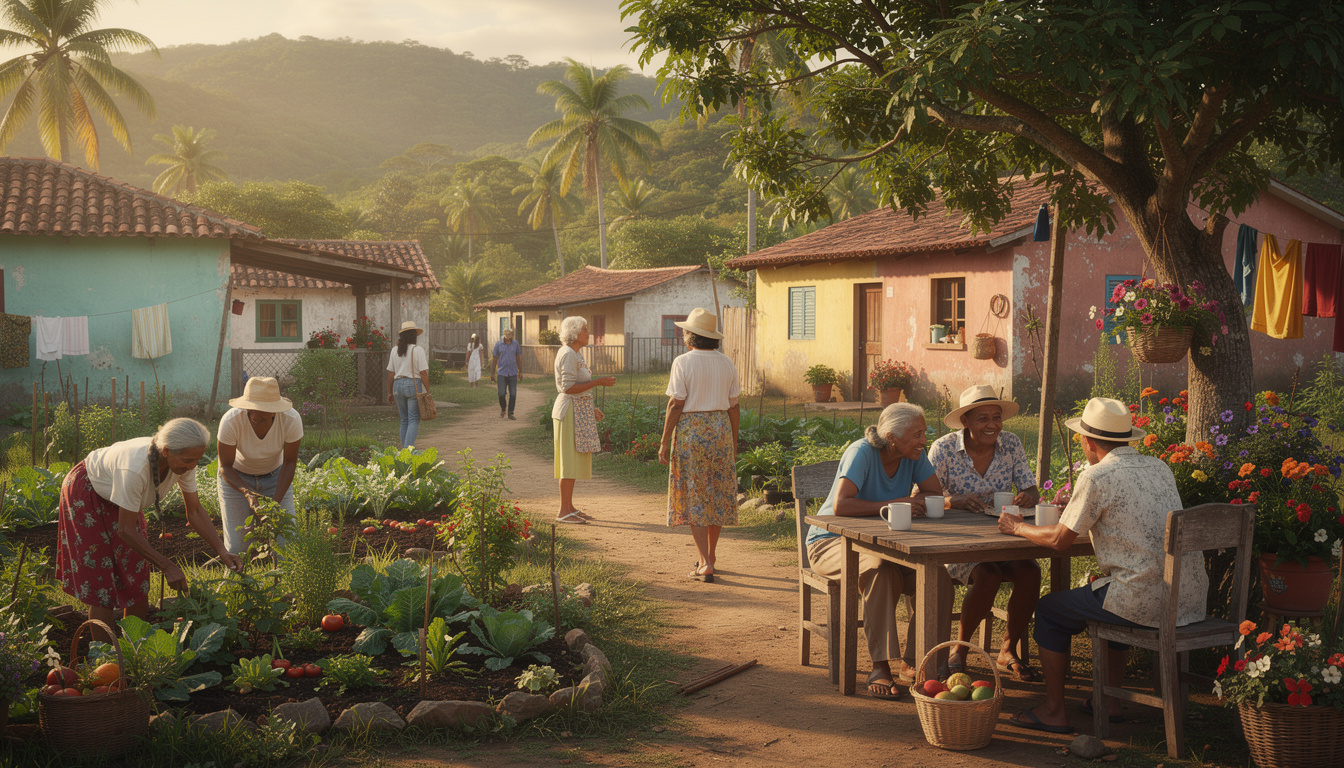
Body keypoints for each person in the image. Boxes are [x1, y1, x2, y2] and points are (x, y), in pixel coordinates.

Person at [997, 397, 1207, 734]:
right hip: (1187, 595)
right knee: (1114, 597)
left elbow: (1059, 541)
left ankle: (1053, 710)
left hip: (1143, 599)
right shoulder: (1160, 467)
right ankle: (1107, 701)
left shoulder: (1097, 475)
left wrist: (1016, 527)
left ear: (1089, 441)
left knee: (1051, 611)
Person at [805, 402, 944, 700]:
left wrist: (916, 502)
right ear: (891, 436)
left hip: (885, 545)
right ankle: (879, 666)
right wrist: (897, 504)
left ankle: (916, 660)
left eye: (924, 432)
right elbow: (842, 505)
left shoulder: (913, 455)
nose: (923, 440)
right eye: (916, 433)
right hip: (830, 542)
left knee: (938, 576)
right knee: (881, 570)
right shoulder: (862, 452)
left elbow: (935, 493)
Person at [55, 418, 243, 636]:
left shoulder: (184, 463)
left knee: (136, 572)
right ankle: (105, 658)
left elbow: (195, 512)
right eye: (188, 460)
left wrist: (222, 550)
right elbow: (125, 529)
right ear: (166, 451)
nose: (192, 466)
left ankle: (135, 644)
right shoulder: (135, 468)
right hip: (88, 491)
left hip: (120, 495)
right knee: (101, 580)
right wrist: (166, 565)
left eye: (197, 460)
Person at [927, 384, 1041, 681]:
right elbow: (922, 497)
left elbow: (1030, 486)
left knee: (1030, 572)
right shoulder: (944, 448)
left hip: (1002, 534)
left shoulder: (1011, 444)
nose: (992, 425)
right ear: (965, 421)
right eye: (983, 419)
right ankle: (959, 651)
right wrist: (955, 501)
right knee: (988, 574)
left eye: (996, 417)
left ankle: (1007, 649)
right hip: (958, 541)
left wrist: (1029, 496)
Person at [657, 308, 740, 583]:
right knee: (716, 493)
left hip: (692, 432)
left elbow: (676, 403)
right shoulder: (727, 363)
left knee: (695, 494)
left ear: (691, 336)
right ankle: (711, 557)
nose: (682, 334)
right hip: (720, 431)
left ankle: (704, 561)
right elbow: (734, 407)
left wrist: (664, 440)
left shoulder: (683, 362)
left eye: (685, 331)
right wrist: (733, 441)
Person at [216, 376, 304, 556]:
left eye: (261, 414)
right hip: (236, 479)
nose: (254, 416)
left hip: (276, 477)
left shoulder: (290, 419)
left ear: (274, 412)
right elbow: (225, 466)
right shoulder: (231, 421)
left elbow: (289, 462)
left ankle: (283, 583)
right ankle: (240, 584)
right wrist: (248, 493)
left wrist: (275, 504)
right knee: (238, 548)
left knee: (286, 545)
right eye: (250, 411)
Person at [552, 315, 615, 523]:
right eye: (585, 330)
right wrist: (598, 382)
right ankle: (563, 511)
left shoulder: (576, 354)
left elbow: (578, 387)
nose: (589, 333)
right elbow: (568, 387)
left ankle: (569, 506)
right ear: (574, 333)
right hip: (568, 410)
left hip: (577, 409)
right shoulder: (568, 354)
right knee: (569, 461)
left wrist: (591, 409)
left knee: (575, 459)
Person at [385, 320, 430, 449]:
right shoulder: (417, 350)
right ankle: (407, 450)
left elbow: (390, 373)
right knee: (414, 419)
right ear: (414, 336)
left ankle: (403, 449)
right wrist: (428, 391)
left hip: (397, 386)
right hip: (413, 385)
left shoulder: (395, 350)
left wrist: (389, 392)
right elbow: (423, 373)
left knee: (404, 419)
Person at [492, 327, 521, 420]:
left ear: (512, 335)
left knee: (513, 394)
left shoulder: (515, 344)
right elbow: (494, 359)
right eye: (507, 334)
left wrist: (521, 371)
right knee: (501, 393)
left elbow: (518, 358)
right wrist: (492, 373)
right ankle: (503, 408)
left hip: (513, 372)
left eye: (510, 334)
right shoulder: (498, 344)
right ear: (504, 334)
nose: (509, 336)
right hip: (502, 372)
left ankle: (510, 412)